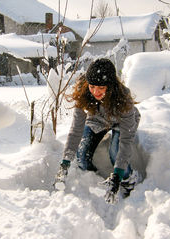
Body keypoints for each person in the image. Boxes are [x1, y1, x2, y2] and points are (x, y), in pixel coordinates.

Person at [54, 58, 143, 203]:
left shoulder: (123, 98)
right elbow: (76, 130)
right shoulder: (83, 94)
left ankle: (128, 180)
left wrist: (118, 174)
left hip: (121, 121)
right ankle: (94, 181)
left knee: (115, 152)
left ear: (110, 86)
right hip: (98, 119)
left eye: (101, 88)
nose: (96, 91)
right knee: (81, 155)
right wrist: (65, 162)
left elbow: (126, 140)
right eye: (92, 86)